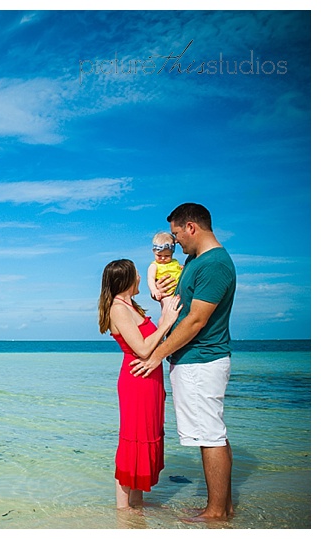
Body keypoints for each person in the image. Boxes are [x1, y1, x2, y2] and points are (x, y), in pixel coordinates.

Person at [130, 203, 237, 522]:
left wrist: (156, 356)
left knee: (210, 436)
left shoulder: (214, 264)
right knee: (213, 432)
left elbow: (196, 320)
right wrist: (159, 292)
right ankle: (223, 507)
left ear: (191, 227)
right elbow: (183, 300)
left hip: (201, 359)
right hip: (195, 359)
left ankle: (216, 513)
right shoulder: (194, 261)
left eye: (176, 234)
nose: (174, 243)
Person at [99, 259, 182, 511]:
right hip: (137, 381)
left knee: (146, 436)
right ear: (125, 280)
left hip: (150, 382)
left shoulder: (131, 305)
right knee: (132, 441)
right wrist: (166, 321)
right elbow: (144, 349)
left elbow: (152, 342)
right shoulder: (118, 309)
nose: (139, 278)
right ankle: (123, 511)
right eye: (136, 275)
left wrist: (165, 306)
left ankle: (137, 503)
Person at [147, 232, 182, 301]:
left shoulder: (175, 262)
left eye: (167, 256)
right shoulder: (154, 266)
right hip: (166, 295)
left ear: (172, 253)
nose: (163, 258)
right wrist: (154, 290)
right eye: (159, 255)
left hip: (179, 293)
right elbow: (150, 279)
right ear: (154, 252)